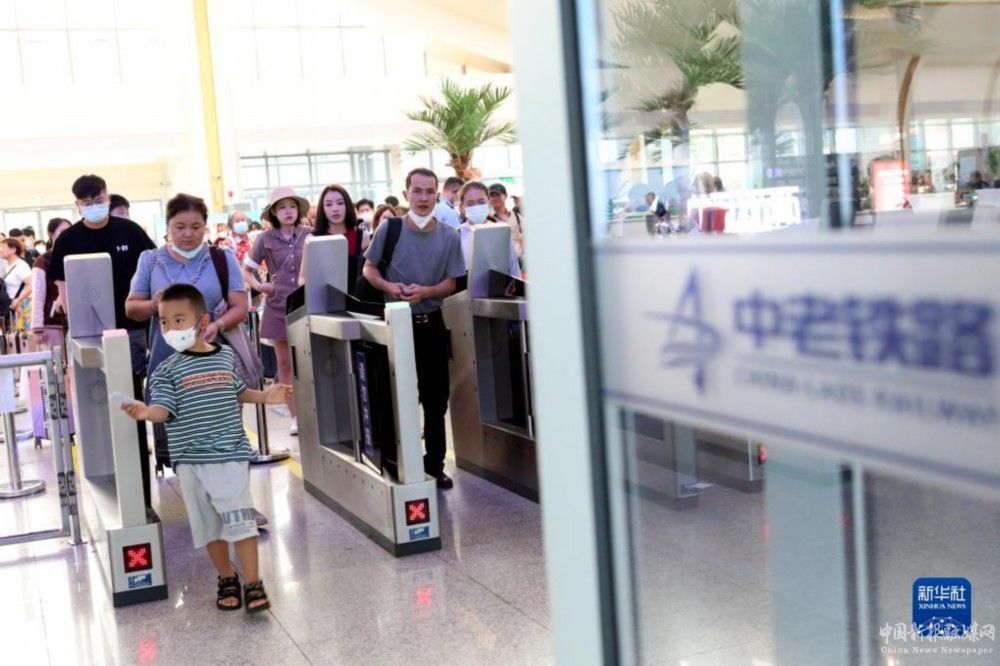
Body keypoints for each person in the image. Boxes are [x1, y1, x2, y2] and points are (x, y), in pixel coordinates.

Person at [120, 283, 290, 613]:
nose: (171, 329)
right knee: (209, 526)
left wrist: (265, 397)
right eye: (164, 322)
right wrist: (145, 412)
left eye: (179, 320)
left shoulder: (225, 356)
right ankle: (226, 577)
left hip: (230, 453)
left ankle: (253, 582)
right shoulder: (165, 371)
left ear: (202, 322)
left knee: (241, 519)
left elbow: (237, 391)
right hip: (191, 460)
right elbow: (163, 411)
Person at [48, 174, 157, 506]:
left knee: (130, 401)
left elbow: (153, 269)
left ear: (108, 198)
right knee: (97, 406)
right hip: (88, 335)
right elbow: (62, 287)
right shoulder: (68, 240)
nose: (95, 207)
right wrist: (76, 324)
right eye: (87, 203)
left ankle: (139, 489)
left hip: (130, 330)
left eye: (99, 201)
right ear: (77, 205)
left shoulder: (130, 232)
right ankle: (106, 478)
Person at [362, 168, 466, 489]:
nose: (423, 198)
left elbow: (452, 282)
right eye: (417, 191)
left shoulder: (449, 236)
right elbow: (369, 268)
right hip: (395, 325)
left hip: (430, 324)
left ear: (438, 194)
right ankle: (400, 462)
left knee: (435, 400)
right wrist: (390, 287)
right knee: (397, 396)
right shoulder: (390, 229)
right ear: (406, 193)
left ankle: (435, 463)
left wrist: (426, 292)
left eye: (429, 191)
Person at [125, 193, 248, 390]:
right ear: (168, 227)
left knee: (218, 409)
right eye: (180, 227)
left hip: (215, 364)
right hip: (166, 365)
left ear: (205, 227)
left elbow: (240, 307)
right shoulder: (150, 260)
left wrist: (217, 326)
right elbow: (131, 308)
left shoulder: (223, 258)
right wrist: (153, 305)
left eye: (196, 227)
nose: (188, 233)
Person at [242, 187, 311, 435]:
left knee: (312, 361)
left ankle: (315, 412)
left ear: (298, 209)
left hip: (308, 304)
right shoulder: (265, 238)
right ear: (273, 212)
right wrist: (260, 285)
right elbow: (247, 269)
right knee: (284, 364)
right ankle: (295, 416)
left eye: (291, 206)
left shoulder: (310, 234)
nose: (288, 211)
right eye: (281, 207)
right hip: (278, 306)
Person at [302, 185, 369, 291]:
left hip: (355, 299)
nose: (335, 209)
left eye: (340, 203)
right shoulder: (312, 239)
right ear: (322, 208)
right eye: (328, 204)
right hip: (323, 298)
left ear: (347, 205)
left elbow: (368, 272)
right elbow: (302, 278)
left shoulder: (362, 237)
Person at [456, 181, 520, 277]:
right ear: (462, 207)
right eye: (470, 204)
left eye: (481, 202)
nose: (476, 207)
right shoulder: (457, 234)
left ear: (489, 203)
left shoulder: (501, 232)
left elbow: (514, 268)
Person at [30, 218, 72, 350]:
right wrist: (38, 327)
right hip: (52, 322)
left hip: (75, 321)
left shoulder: (74, 257)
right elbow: (38, 295)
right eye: (62, 231)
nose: (67, 235)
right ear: (51, 234)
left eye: (69, 231)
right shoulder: (42, 261)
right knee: (57, 359)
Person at [488, 183, 525, 261]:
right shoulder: (487, 219)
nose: (494, 198)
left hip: (518, 261)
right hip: (498, 262)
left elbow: (525, 237)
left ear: (505, 196)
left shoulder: (517, 216)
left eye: (497, 195)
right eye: (491, 195)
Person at [2, 238, 32, 333]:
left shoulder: (21, 266)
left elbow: (30, 285)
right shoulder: (7, 266)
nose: (1, 249)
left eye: (3, 247)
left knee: (23, 336)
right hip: (11, 307)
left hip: (22, 307)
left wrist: (18, 299)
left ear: (13, 250)